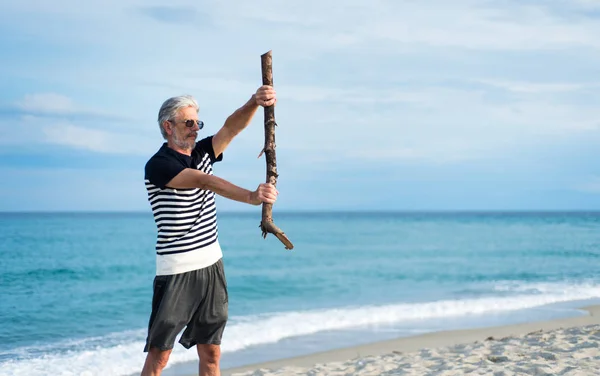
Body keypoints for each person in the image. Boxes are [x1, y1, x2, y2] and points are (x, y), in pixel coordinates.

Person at [141, 86, 279, 376]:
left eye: (197, 123)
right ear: (168, 127)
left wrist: (255, 102)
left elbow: (231, 127)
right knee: (160, 355)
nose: (195, 129)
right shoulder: (158, 166)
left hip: (212, 266)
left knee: (212, 352)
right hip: (177, 270)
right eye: (187, 123)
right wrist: (251, 197)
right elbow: (203, 181)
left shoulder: (203, 152)